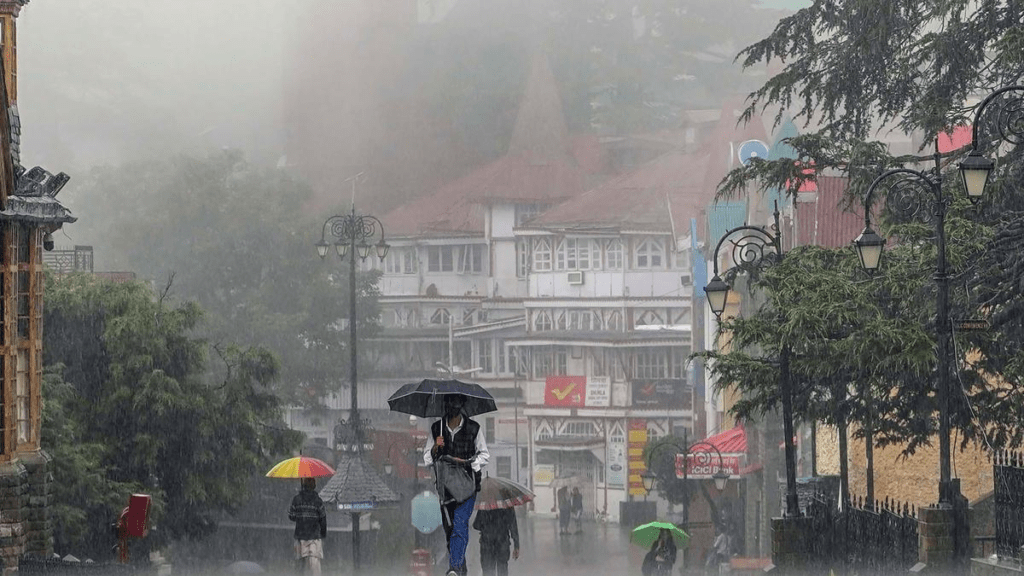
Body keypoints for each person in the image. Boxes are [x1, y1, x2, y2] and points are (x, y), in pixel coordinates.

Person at [423, 394, 490, 576]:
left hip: (467, 488)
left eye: (457, 403)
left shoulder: (474, 428)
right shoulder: (437, 428)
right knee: (450, 531)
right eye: (450, 403)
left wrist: (468, 465)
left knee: (460, 524)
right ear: (446, 404)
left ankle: (453, 567)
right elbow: (427, 459)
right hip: (445, 490)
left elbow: (484, 454)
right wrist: (436, 447)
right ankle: (461, 569)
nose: (453, 407)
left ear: (462, 405)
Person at [472, 495, 520, 576]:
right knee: (503, 568)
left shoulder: (485, 503)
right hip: (503, 541)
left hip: (487, 542)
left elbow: (476, 525)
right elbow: (513, 526)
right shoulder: (507, 504)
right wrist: (516, 545)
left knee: (488, 569)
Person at [288, 477, 327, 576]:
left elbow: (291, 516)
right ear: (314, 486)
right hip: (314, 537)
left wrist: (301, 516)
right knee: (315, 566)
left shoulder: (296, 499)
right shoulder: (318, 501)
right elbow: (323, 519)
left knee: (299, 565)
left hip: (300, 536)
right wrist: (323, 534)